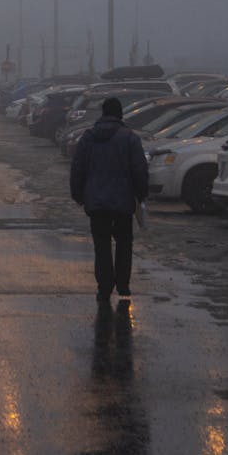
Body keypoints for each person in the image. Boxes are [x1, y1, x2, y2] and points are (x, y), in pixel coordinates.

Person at [70, 96, 148, 302]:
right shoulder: (130, 138)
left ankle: (104, 286)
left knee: (102, 244)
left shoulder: (88, 137)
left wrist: (77, 194)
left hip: (96, 202)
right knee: (124, 242)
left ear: (103, 113)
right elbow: (139, 169)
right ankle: (123, 285)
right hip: (123, 201)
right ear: (120, 114)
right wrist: (141, 194)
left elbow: (78, 167)